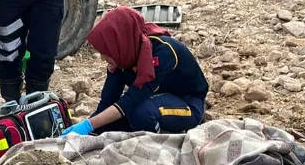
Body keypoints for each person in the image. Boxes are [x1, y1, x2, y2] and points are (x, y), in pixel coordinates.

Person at [62, 7, 208, 137]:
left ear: (119, 43)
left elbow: (133, 98)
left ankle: (158, 145)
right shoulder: (123, 56)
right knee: (110, 124)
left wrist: (89, 125)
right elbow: (108, 101)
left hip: (187, 103)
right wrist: (88, 132)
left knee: (141, 113)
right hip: (151, 99)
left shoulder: (163, 52)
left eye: (105, 52)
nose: (102, 58)